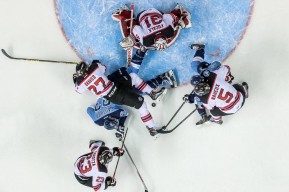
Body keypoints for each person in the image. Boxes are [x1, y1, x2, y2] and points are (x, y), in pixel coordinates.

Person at [73, 59, 162, 137]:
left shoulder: (80, 82)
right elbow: (103, 68)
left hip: (112, 94)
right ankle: (151, 127)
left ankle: (152, 93)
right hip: (117, 91)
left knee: (133, 77)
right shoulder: (94, 67)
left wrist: (76, 79)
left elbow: (78, 90)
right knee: (142, 105)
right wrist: (95, 63)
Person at [183, 44, 249, 125]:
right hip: (240, 98)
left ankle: (217, 120)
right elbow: (225, 68)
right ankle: (244, 92)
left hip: (231, 109)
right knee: (236, 85)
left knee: (212, 111)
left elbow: (207, 105)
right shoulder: (214, 77)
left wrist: (190, 98)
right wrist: (213, 69)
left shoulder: (205, 99)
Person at [112, 4, 192, 51]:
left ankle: (179, 10)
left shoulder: (169, 31)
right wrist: (133, 40)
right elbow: (135, 28)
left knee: (178, 23)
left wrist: (180, 23)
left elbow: (167, 16)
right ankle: (125, 13)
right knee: (132, 35)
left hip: (155, 12)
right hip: (142, 16)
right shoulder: (146, 41)